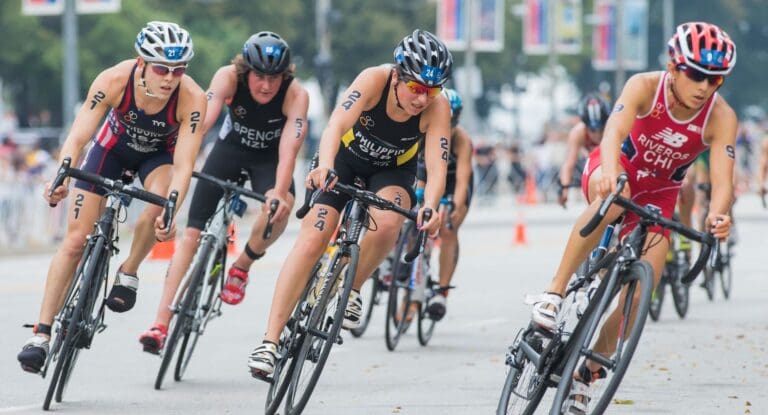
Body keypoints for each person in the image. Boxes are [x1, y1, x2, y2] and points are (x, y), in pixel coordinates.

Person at [527, 22, 737, 415]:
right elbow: (613, 132)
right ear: (674, 66)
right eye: (695, 74)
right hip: (619, 169)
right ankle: (553, 295)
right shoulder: (645, 86)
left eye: (715, 79)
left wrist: (719, 214)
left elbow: (724, 181)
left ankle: (587, 374)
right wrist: (607, 170)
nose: (704, 86)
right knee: (611, 201)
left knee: (642, 292)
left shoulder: (721, 116)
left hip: (661, 194)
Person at [247, 29, 453, 378]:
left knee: (389, 222)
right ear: (397, 75)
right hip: (343, 160)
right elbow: (336, 124)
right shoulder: (373, 80)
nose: (422, 99)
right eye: (417, 88)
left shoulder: (438, 107)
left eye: (431, 91)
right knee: (313, 238)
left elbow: (437, 163)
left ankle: (353, 288)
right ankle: (269, 341)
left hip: (392, 171)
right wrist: (325, 164)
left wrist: (430, 205)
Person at [17, 21, 207, 373]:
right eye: (162, 68)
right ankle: (41, 335)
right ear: (141, 62)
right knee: (75, 241)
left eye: (179, 70)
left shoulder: (193, 98)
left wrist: (172, 210)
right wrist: (60, 178)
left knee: (158, 205)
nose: (170, 78)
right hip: (111, 149)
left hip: (158, 157)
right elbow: (77, 138)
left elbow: (184, 163)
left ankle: (129, 271)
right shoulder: (114, 79)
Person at [138, 31, 309, 353]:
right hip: (229, 151)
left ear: (284, 77)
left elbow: (290, 150)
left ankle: (242, 265)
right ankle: (160, 323)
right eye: (259, 76)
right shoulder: (228, 77)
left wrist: (278, 192)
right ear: (246, 71)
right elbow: (200, 123)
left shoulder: (295, 95)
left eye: (274, 78)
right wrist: (182, 160)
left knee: (282, 205)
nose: (266, 86)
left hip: (269, 159)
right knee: (190, 235)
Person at [414, 88, 473, 320]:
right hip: (426, 175)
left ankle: (442, 291)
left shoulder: (461, 140)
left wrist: (456, 205)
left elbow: (462, 179)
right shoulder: (422, 130)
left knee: (449, 228)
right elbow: (416, 170)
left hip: (453, 182)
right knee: (411, 213)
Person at [557, 93, 610, 207]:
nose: (598, 135)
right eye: (592, 130)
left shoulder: (612, 127)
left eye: (601, 129)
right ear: (585, 125)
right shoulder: (578, 133)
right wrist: (564, 189)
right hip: (594, 166)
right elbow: (569, 165)